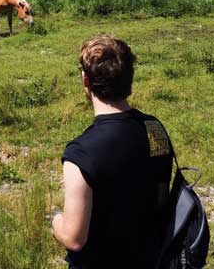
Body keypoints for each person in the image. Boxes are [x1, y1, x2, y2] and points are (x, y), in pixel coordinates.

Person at [51, 35, 174, 268]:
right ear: (129, 79)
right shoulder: (154, 128)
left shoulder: (80, 154)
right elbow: (161, 198)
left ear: (85, 81)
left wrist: (55, 222)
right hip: (151, 259)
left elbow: (74, 238)